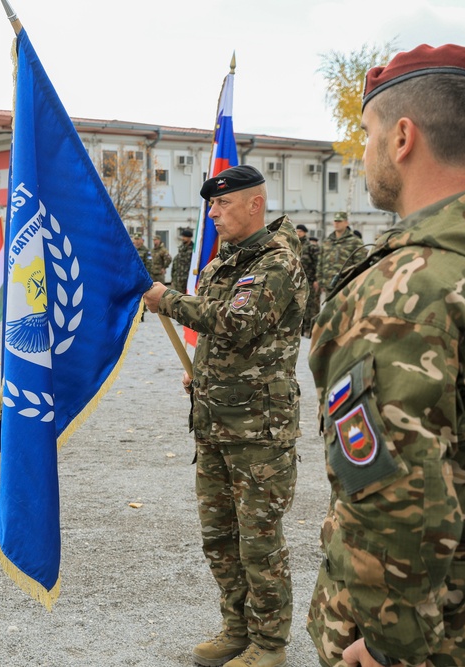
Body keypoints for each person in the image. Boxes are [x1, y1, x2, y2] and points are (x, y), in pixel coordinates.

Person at [307, 44, 465, 667]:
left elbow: (396, 496)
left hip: (442, 637)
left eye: (370, 132)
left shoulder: (406, 290)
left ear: (402, 137)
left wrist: (388, 646)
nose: (367, 152)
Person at [143, 165, 306, 667]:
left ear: (254, 204)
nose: (212, 214)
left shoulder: (277, 262)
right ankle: (237, 630)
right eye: (211, 205)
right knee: (219, 537)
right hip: (215, 420)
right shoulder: (224, 264)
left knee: (258, 541)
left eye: (222, 204)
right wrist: (204, 375)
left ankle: (270, 644)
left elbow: (237, 322)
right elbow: (218, 339)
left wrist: (165, 299)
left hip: (258, 429)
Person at [318, 211, 363, 298]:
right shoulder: (327, 241)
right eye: (335, 221)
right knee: (329, 310)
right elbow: (320, 262)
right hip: (329, 284)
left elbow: (360, 264)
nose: (336, 224)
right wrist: (320, 281)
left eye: (339, 221)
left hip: (346, 284)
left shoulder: (355, 241)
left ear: (346, 223)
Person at [295, 224, 320, 336]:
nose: (298, 233)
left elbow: (317, 263)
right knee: (298, 305)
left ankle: (310, 329)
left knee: (311, 305)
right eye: (297, 231)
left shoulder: (311, 247)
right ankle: (300, 329)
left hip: (309, 280)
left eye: (300, 231)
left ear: (305, 232)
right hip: (296, 280)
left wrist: (316, 279)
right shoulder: (294, 245)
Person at [171, 227, 194, 293]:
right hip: (178, 278)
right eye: (183, 236)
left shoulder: (193, 249)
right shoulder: (181, 248)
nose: (183, 238)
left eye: (185, 237)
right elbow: (177, 262)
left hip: (188, 279)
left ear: (189, 238)